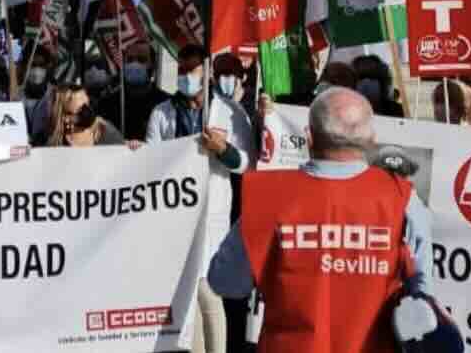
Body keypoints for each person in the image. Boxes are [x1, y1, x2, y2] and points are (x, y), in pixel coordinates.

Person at [209, 86, 435, 352]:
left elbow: (226, 282)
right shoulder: (402, 198)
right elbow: (423, 295)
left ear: (308, 137)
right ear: (371, 140)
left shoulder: (268, 196)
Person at [144, 46, 254, 353]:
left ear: (206, 74)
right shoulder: (162, 113)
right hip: (174, 215)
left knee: (208, 291)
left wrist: (224, 151)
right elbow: (152, 158)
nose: (185, 77)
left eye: (191, 71)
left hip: (211, 213)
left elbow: (248, 163)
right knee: (186, 295)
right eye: (181, 70)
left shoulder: (230, 112)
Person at [99, 43, 164, 142]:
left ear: (153, 65)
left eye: (141, 60)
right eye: (129, 60)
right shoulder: (106, 104)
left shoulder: (164, 104)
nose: (134, 64)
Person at [44, 83, 126, 146]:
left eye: (88, 105)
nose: (88, 113)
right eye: (81, 110)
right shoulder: (54, 144)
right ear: (65, 118)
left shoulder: (104, 130)